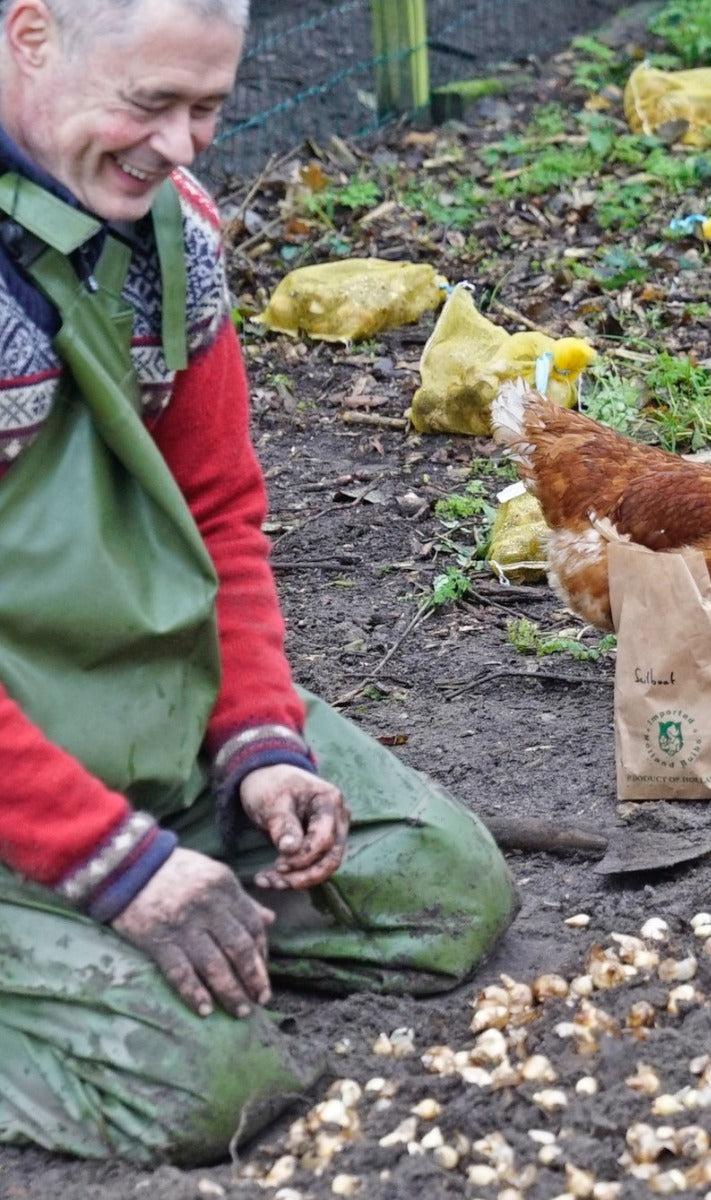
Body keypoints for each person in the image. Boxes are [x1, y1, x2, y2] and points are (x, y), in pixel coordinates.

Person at [0, 0, 518, 1166]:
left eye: (207, 108)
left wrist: (260, 741)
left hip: (129, 721)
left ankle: (130, 925)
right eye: (148, 104)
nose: (182, 147)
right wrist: (114, 865)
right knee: (207, 1091)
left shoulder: (163, 233)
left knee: (444, 889)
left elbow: (221, 516)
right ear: (31, 36)